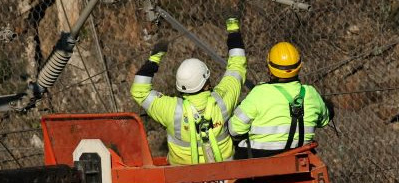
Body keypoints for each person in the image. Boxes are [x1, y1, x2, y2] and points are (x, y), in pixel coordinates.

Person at [130, 18, 246, 165]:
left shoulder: (171, 110)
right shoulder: (222, 101)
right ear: (206, 83)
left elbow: (140, 90)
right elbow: (237, 67)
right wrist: (233, 26)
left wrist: (155, 58)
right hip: (226, 175)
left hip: (181, 178)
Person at [228, 41, 332, 158]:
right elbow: (325, 120)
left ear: (270, 68)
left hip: (259, 163)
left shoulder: (260, 93)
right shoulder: (311, 94)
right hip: (300, 160)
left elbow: (234, 130)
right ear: (299, 66)